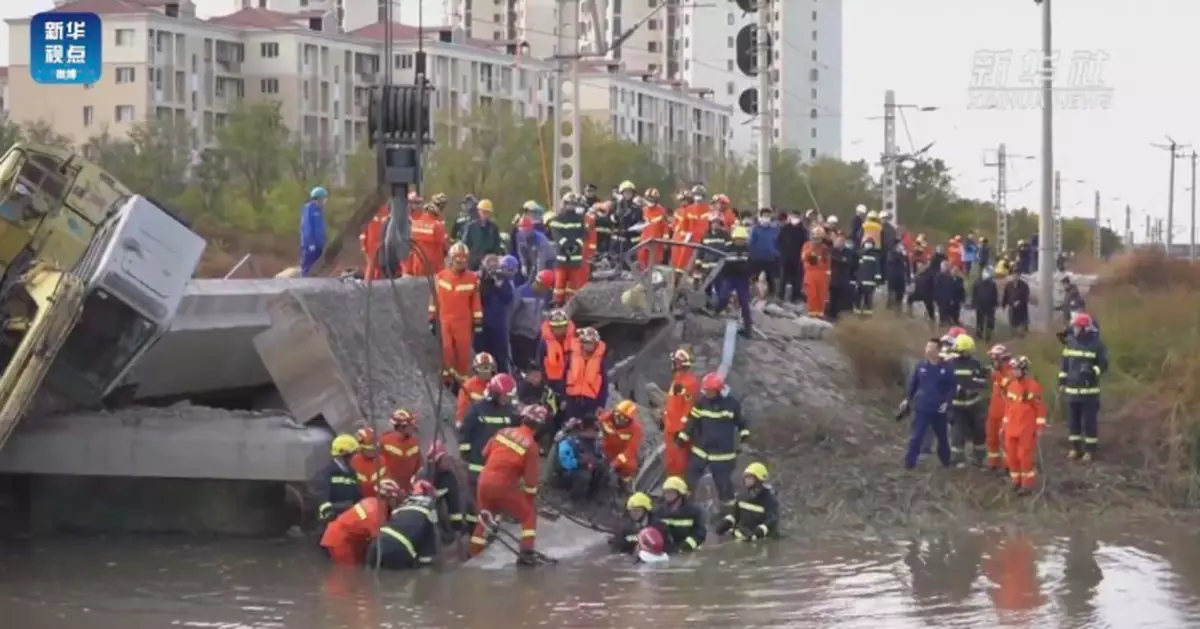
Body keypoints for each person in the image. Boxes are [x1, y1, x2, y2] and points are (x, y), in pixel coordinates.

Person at [468, 402, 545, 566]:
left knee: (484, 517)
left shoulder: (502, 432)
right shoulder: (531, 445)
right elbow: (531, 483)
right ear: (540, 426)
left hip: (484, 481)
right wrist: (528, 499)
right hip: (503, 485)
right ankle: (526, 554)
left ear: (523, 418)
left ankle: (473, 554)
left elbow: (484, 453)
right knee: (529, 515)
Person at [678, 371, 749, 511]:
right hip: (701, 451)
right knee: (689, 481)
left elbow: (742, 424)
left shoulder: (732, 404)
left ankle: (729, 514)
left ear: (718, 390)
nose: (706, 393)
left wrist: (744, 440)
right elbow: (691, 422)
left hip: (723, 456)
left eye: (708, 391)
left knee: (724, 487)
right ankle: (683, 508)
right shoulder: (701, 403)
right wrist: (682, 438)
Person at [430, 242, 484, 387]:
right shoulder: (440, 277)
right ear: (451, 260)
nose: (461, 264)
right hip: (445, 320)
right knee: (447, 350)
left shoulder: (472, 279)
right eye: (458, 261)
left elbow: (476, 302)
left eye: (464, 261)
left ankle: (461, 384)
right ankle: (447, 380)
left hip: (463, 322)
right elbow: (434, 299)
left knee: (463, 352)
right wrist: (431, 318)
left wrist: (478, 321)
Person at [898, 338, 957, 469]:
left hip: (939, 409)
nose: (928, 350)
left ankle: (946, 462)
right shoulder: (921, 366)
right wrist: (907, 399)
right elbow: (913, 384)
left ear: (938, 350)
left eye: (931, 348)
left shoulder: (947, 368)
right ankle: (910, 463)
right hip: (922, 407)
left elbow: (952, 388)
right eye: (927, 347)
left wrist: (947, 402)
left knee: (942, 438)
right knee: (916, 436)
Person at [320, 478, 405, 565]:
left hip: (336, 535)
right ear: (390, 498)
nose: (397, 503)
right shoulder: (377, 513)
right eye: (396, 499)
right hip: (340, 540)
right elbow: (379, 543)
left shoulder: (371, 501)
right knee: (347, 573)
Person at [1060, 312, 1108, 461]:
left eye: (1077, 326)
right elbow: (1065, 365)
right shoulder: (1070, 342)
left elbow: (1104, 366)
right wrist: (1062, 382)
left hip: (1089, 392)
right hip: (1072, 391)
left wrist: (1091, 371)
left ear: (1084, 327)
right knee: (1073, 422)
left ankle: (1090, 450)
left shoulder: (1097, 345)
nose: (1074, 329)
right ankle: (1075, 448)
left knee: (1089, 422)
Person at [365, 480, 441, 570]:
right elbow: (428, 546)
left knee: (371, 578)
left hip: (376, 544)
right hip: (399, 548)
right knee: (403, 581)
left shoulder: (401, 505)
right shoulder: (430, 508)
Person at [458, 373, 518, 485]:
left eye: (508, 396)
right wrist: (467, 455)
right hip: (478, 466)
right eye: (504, 395)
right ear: (494, 393)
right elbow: (464, 434)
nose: (506, 399)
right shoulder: (477, 409)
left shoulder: (510, 411)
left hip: (500, 466)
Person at [1005, 356, 1048, 495]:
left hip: (1026, 428)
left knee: (1024, 456)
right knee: (1011, 456)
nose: (1013, 372)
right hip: (1011, 426)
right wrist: (1004, 424)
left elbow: (1040, 408)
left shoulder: (1033, 386)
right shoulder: (1011, 385)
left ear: (1023, 370)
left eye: (1016, 369)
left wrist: (1040, 427)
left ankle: (1027, 484)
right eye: (1013, 369)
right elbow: (1008, 406)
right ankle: (1015, 481)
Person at [946, 335, 990, 467]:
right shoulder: (950, 364)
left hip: (974, 404)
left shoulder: (977, 364)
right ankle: (957, 459)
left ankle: (980, 458)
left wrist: (974, 388)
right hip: (957, 406)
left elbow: (985, 381)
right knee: (958, 433)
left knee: (979, 431)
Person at [714, 462, 779, 541]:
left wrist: (757, 534)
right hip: (742, 535)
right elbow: (735, 515)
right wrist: (725, 523)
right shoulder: (741, 496)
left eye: (750, 477)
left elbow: (771, 520)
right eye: (746, 477)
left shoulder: (769, 500)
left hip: (759, 539)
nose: (746, 480)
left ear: (758, 479)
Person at [551, 413, 608, 501]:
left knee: (603, 469)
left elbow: (600, 456)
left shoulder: (595, 442)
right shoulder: (570, 439)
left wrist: (598, 462)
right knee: (584, 475)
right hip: (564, 473)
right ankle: (573, 500)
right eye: (596, 430)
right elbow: (565, 463)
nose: (599, 433)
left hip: (585, 468)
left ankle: (591, 496)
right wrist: (584, 463)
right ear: (588, 429)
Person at [663, 347, 700, 479]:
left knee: (679, 461)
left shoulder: (689, 383)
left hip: (677, 429)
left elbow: (689, 407)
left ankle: (679, 485)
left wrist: (682, 430)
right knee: (671, 459)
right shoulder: (678, 379)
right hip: (670, 426)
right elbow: (674, 403)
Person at [549, 193, 590, 306]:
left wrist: (577, 244)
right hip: (561, 257)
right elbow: (556, 234)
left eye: (573, 204)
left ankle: (571, 304)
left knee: (572, 284)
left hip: (575, 257)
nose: (571, 207)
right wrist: (566, 245)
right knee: (559, 282)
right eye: (569, 204)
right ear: (564, 204)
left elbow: (584, 233)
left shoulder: (579, 219)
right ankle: (557, 303)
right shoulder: (557, 219)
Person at [510, 270, 554, 370]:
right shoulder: (521, 292)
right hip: (519, 336)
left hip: (535, 337)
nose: (546, 291)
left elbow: (543, 314)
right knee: (521, 365)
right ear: (539, 283)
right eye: (545, 288)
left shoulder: (544, 296)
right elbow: (510, 314)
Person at [715, 225, 754, 336]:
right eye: (738, 239)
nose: (740, 241)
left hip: (742, 280)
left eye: (742, 239)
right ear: (734, 239)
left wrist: (750, 276)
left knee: (744, 304)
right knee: (723, 297)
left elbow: (751, 264)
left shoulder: (748, 250)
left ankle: (748, 329)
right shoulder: (727, 249)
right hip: (729, 278)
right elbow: (722, 264)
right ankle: (717, 311)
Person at [479, 256, 516, 372]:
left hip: (499, 323)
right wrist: (486, 282)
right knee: (483, 354)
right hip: (482, 323)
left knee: (501, 355)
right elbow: (479, 297)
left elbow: (509, 297)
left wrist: (500, 284)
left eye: (495, 264)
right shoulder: (479, 278)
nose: (492, 267)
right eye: (489, 264)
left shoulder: (502, 279)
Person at [564, 326, 610, 421]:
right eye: (586, 342)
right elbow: (564, 377)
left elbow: (604, 385)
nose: (588, 345)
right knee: (570, 427)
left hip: (591, 402)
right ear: (581, 342)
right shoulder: (572, 357)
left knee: (589, 428)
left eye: (591, 343)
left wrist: (601, 404)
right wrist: (563, 398)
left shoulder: (600, 362)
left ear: (596, 344)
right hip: (573, 400)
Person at [652, 476, 706, 553]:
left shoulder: (693, 512)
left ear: (680, 494)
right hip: (665, 550)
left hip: (686, 550)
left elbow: (700, 532)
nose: (667, 495)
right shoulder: (659, 512)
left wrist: (687, 545)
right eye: (666, 492)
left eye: (670, 492)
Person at [599, 399, 644, 490]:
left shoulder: (636, 430)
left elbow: (630, 450)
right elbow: (595, 427)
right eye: (618, 415)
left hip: (621, 454)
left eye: (624, 418)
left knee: (630, 466)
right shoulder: (605, 418)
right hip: (604, 450)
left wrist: (615, 463)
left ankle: (625, 485)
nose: (619, 420)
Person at [317, 434, 362, 523]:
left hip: (350, 519)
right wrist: (329, 513)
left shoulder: (352, 473)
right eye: (353, 454)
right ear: (344, 455)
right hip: (331, 522)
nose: (356, 458)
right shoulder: (326, 473)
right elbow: (322, 501)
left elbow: (357, 497)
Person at [985, 344, 1014, 472]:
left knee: (1005, 440)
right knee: (991, 437)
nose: (993, 362)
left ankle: (1008, 466)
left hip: (1006, 412)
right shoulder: (997, 372)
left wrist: (995, 374)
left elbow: (1006, 384)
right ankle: (993, 463)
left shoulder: (1011, 371)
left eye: (994, 359)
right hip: (994, 411)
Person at [536, 308, 576, 399]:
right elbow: (540, 360)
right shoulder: (544, 342)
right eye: (555, 327)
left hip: (569, 381)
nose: (559, 329)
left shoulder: (574, 341)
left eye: (562, 326)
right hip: (550, 381)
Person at [380, 409, 422, 493]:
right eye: (411, 425)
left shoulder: (414, 442)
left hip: (407, 490)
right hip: (389, 489)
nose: (413, 427)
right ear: (401, 426)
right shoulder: (385, 441)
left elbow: (419, 465)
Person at [457, 352, 497, 427]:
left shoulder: (496, 385)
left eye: (488, 367)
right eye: (483, 367)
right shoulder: (468, 386)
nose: (486, 370)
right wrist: (461, 422)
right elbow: (462, 406)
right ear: (476, 369)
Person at [694, 212, 731, 291]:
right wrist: (697, 267)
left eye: (718, 222)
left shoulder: (725, 236)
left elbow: (729, 251)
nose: (715, 224)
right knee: (706, 291)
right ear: (710, 223)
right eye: (714, 222)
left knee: (720, 290)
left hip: (720, 269)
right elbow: (700, 252)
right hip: (706, 269)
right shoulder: (705, 235)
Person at [777, 209, 808, 303]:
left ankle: (795, 296)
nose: (795, 219)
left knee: (797, 278)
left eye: (797, 217)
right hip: (785, 257)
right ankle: (780, 295)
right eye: (793, 216)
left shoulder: (802, 230)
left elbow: (805, 243)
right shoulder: (785, 229)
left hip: (798, 257)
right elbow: (779, 242)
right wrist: (782, 253)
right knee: (783, 277)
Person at [463, 199, 504, 270]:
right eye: (483, 211)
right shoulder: (471, 227)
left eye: (487, 212)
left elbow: (497, 244)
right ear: (479, 211)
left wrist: (494, 257)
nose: (485, 214)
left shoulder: (493, 227)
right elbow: (465, 243)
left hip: (489, 263)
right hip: (473, 262)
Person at [748, 208, 780, 297]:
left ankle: (771, 296)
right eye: (765, 216)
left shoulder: (774, 229)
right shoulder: (755, 229)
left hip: (770, 257)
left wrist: (777, 253)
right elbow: (751, 243)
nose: (767, 218)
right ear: (760, 217)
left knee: (771, 279)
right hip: (756, 258)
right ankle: (752, 296)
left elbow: (777, 243)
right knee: (754, 278)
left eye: (768, 216)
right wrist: (751, 254)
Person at [514, 216, 555, 283]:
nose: (524, 233)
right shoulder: (519, 237)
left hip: (549, 261)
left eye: (526, 231)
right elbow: (521, 251)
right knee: (529, 281)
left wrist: (539, 275)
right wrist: (523, 264)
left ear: (531, 228)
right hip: (534, 261)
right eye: (522, 231)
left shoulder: (540, 239)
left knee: (545, 281)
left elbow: (541, 259)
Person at [348, 427, 386, 498]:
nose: (372, 452)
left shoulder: (382, 460)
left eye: (374, 449)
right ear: (360, 448)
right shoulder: (353, 462)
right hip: (360, 502)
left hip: (379, 500)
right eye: (368, 450)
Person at [801, 226, 831, 318]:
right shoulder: (807, 246)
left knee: (822, 294)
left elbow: (827, 262)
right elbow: (804, 258)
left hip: (822, 273)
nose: (817, 240)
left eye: (819, 238)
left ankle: (820, 313)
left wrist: (828, 274)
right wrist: (812, 248)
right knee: (812, 293)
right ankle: (812, 313)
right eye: (815, 238)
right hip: (811, 272)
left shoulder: (824, 248)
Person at [636, 188, 669, 269]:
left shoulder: (661, 210)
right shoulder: (643, 210)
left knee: (655, 262)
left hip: (656, 241)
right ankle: (641, 278)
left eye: (653, 200)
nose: (650, 202)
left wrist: (665, 240)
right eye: (649, 200)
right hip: (644, 240)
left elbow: (665, 227)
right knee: (641, 260)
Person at [827, 233, 856, 320]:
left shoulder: (849, 252)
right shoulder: (832, 250)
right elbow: (833, 259)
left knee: (841, 300)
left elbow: (849, 262)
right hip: (833, 279)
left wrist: (839, 260)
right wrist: (841, 260)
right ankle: (830, 315)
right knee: (832, 299)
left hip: (843, 279)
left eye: (841, 241)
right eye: (838, 241)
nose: (839, 243)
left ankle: (837, 316)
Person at [299, 186, 328, 276]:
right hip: (310, 246)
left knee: (317, 268)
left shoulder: (318, 210)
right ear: (318, 198)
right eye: (323, 199)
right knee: (307, 267)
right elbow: (307, 227)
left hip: (319, 244)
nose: (324, 201)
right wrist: (311, 243)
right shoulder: (309, 209)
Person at [359, 204, 391, 280]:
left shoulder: (386, 216)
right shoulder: (370, 218)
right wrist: (363, 245)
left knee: (379, 268)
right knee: (371, 266)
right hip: (372, 248)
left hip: (381, 246)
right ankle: (368, 285)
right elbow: (363, 233)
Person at [854, 237, 882, 315]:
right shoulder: (859, 254)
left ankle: (867, 316)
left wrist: (877, 281)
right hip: (860, 281)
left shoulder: (875, 254)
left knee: (868, 300)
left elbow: (877, 268)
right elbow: (857, 267)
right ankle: (857, 315)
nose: (868, 244)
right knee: (857, 299)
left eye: (869, 243)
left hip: (869, 282)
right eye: (867, 243)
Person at [972, 268, 1001, 342]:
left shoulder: (992, 284)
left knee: (990, 320)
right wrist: (974, 304)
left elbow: (995, 294)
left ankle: (988, 334)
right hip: (980, 304)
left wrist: (995, 304)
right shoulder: (977, 282)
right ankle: (979, 333)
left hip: (990, 305)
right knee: (979, 320)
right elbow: (974, 294)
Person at [1001, 271, 1031, 335]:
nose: (1015, 277)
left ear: (1019, 276)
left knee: (1022, 330)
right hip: (1012, 309)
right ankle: (1014, 337)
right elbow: (1005, 296)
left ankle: (1022, 337)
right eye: (1014, 275)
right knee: (1013, 328)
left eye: (1017, 275)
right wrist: (1003, 305)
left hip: (1021, 310)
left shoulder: (1024, 285)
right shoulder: (1008, 285)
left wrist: (1019, 302)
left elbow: (1026, 296)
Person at [885, 241, 910, 311]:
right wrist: (901, 255)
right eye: (899, 246)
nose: (901, 248)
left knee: (900, 297)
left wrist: (908, 279)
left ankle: (898, 311)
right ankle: (888, 310)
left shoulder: (905, 257)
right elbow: (891, 261)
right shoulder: (891, 253)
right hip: (892, 278)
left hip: (901, 279)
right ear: (896, 247)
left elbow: (908, 268)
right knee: (890, 296)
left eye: (902, 247)